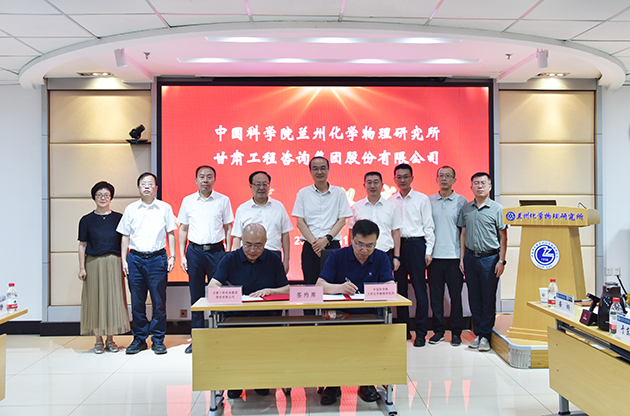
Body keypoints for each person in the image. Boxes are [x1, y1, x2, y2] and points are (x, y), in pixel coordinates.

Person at [316, 219, 396, 406]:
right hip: (339, 315)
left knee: (372, 342)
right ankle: (333, 385)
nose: (364, 250)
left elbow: (390, 285)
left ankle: (366, 383)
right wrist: (339, 288)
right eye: (360, 244)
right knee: (335, 345)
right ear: (352, 239)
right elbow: (320, 285)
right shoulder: (337, 256)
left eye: (370, 245)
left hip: (370, 316)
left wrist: (379, 290)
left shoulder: (380, 257)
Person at [209, 223, 290, 399]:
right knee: (233, 345)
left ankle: (261, 380)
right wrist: (231, 294)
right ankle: (235, 382)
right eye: (248, 245)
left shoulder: (273, 259)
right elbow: (213, 285)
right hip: (235, 318)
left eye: (258, 245)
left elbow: (287, 289)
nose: (252, 250)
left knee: (264, 347)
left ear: (266, 242)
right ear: (241, 241)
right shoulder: (230, 259)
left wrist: (270, 291)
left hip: (266, 318)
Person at [117, 172, 177, 355]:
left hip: (157, 259)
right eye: (143, 184)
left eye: (150, 184)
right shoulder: (130, 209)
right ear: (138, 187)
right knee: (137, 302)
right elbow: (125, 236)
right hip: (135, 259)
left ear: (156, 187)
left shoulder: (165, 208)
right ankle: (139, 339)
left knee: (159, 302)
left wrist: (173, 256)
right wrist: (124, 260)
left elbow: (171, 233)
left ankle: (158, 339)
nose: (147, 187)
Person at [178, 165, 233, 354]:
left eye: (209, 177)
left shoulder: (223, 200)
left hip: (217, 252)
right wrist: (182, 254)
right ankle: (198, 339)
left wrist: (229, 252)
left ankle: (221, 336)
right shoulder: (188, 201)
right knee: (196, 295)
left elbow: (229, 228)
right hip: (194, 252)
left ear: (214, 180)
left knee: (219, 295)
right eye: (202, 176)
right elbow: (183, 229)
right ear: (196, 180)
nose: (205, 180)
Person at [292, 156, 352, 315]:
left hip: (332, 246)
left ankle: (332, 323)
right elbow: (300, 222)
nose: (319, 172)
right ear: (310, 171)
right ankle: (310, 323)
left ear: (328, 170)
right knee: (310, 287)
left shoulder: (339, 193)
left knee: (333, 285)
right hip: (310, 246)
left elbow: (342, 220)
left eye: (323, 168)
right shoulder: (303, 193)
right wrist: (315, 244)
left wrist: (326, 240)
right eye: (315, 168)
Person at [77, 181, 130, 354]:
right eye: (99, 195)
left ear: (111, 197)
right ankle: (98, 340)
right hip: (93, 263)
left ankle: (110, 340)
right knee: (95, 300)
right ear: (94, 197)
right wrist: (82, 267)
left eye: (106, 195)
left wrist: (124, 262)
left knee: (113, 300)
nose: (103, 198)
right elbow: (82, 245)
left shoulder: (119, 218)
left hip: (114, 262)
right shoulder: (86, 220)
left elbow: (125, 242)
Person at [457, 172, 507, 352]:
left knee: (488, 298)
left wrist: (502, 260)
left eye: (483, 183)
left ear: (490, 187)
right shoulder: (466, 208)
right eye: (476, 183)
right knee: (474, 297)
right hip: (471, 258)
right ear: (471, 187)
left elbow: (503, 237)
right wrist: (462, 258)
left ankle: (486, 335)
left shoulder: (498, 209)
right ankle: (478, 333)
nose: (479, 186)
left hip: (490, 259)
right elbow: (463, 234)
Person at [389, 163, 435, 346]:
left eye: (406, 176)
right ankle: (404, 330)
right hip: (397, 248)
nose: (402, 180)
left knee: (419, 289)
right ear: (394, 179)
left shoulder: (422, 199)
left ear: (412, 178)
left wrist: (428, 251)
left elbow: (429, 226)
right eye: (399, 177)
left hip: (417, 246)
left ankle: (421, 333)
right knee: (400, 290)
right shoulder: (390, 201)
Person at [427, 166, 468, 346]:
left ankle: (456, 332)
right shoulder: (429, 201)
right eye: (441, 176)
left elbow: (464, 232)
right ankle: (439, 331)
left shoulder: (461, 201)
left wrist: (462, 258)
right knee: (435, 297)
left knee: (455, 297)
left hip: (454, 257)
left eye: (448, 176)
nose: (444, 179)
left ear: (454, 180)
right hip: (434, 257)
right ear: (436, 179)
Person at [231, 171, 293, 273]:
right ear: (251, 186)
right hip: (249, 256)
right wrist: (235, 261)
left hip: (273, 255)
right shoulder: (242, 209)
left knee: (273, 283)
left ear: (269, 186)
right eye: (258, 184)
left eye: (265, 184)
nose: (261, 188)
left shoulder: (279, 207)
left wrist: (286, 260)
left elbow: (285, 234)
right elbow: (237, 237)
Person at [348, 171, 401, 270]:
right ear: (364, 185)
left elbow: (396, 233)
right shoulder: (356, 207)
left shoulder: (391, 207)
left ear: (382, 185)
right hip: (361, 256)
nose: (372, 186)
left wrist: (396, 257)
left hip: (385, 253)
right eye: (369, 182)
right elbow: (351, 233)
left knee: (385, 280)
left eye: (376, 182)